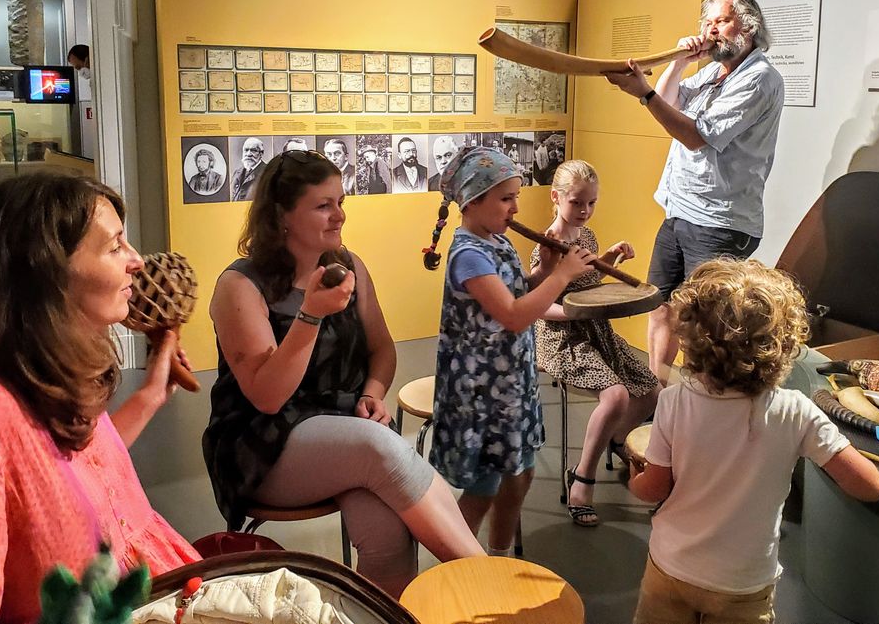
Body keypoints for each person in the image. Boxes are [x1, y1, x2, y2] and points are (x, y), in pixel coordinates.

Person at [0, 173, 198, 622]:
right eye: (115, 246)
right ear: (46, 270)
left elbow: (73, 475)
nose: (136, 260)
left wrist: (152, 394)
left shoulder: (44, 370)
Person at [204, 150, 484, 597]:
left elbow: (382, 349)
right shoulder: (240, 286)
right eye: (323, 205)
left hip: (345, 429)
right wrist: (309, 317)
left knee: (388, 531)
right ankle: (484, 580)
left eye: (340, 202)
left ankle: (387, 612)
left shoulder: (348, 265)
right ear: (281, 217)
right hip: (262, 444)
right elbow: (267, 397)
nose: (339, 216)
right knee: (376, 446)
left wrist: (373, 392)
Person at [628, 258, 879, 624]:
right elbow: (869, 486)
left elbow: (654, 489)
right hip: (743, 583)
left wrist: (634, 478)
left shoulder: (674, 400)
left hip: (672, 566)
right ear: (782, 345)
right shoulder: (796, 411)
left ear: (692, 339)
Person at [422, 147, 595, 556]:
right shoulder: (468, 254)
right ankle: (458, 561)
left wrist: (547, 269)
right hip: (481, 390)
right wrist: (565, 276)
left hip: (511, 382)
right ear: (472, 201)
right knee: (484, 486)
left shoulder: (496, 241)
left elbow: (520, 292)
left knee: (520, 473)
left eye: (516, 196)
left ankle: (497, 555)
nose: (516, 208)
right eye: (506, 198)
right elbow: (514, 316)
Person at [607, 0, 784, 384]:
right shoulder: (713, 72)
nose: (711, 29)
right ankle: (657, 394)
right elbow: (668, 100)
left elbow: (695, 135)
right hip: (681, 210)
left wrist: (644, 92)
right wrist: (678, 63)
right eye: (707, 22)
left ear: (749, 27)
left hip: (718, 221)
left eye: (721, 21)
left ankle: (697, 403)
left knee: (703, 324)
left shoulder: (758, 78)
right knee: (661, 307)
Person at [530, 160, 659, 527]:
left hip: (596, 331)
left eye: (591, 203)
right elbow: (540, 304)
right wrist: (574, 316)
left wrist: (608, 259)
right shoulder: (546, 247)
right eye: (576, 203)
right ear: (556, 199)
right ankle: (583, 479)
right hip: (561, 338)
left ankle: (616, 439)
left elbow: (585, 277)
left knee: (651, 390)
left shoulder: (586, 237)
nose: (584, 211)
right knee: (617, 395)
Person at [232, 137, 267, 201]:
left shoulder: (267, 172)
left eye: (253, 150)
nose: (248, 154)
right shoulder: (237, 173)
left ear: (261, 154)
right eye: (246, 150)